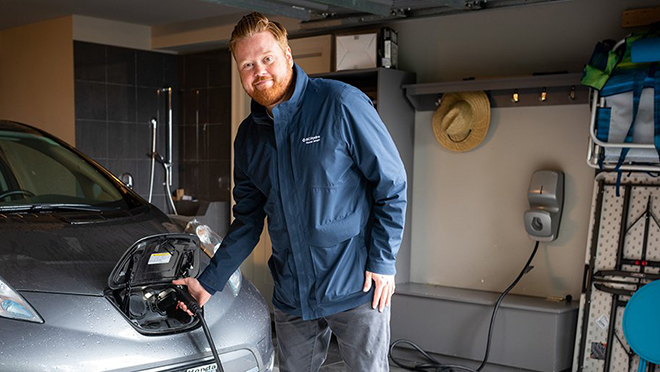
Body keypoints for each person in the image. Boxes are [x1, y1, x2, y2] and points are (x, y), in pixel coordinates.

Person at [174, 12, 407, 371]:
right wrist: (209, 282)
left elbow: (391, 184)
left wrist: (383, 261)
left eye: (266, 58)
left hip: (356, 287)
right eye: (247, 65)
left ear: (287, 55)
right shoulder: (249, 137)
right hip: (292, 295)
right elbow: (248, 220)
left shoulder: (340, 103)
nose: (259, 71)